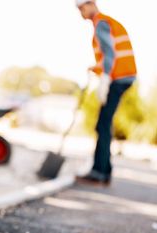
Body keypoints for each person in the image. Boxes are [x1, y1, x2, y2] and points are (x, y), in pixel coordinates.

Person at [75, 0, 136, 186]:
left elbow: (110, 54)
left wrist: (106, 78)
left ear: (91, 4)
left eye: (82, 8)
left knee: (102, 124)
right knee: (104, 122)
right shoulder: (107, 22)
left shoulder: (101, 23)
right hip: (123, 77)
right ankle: (105, 171)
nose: (81, 13)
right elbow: (109, 56)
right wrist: (98, 68)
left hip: (118, 78)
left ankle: (99, 172)